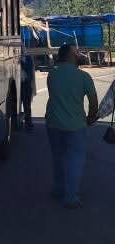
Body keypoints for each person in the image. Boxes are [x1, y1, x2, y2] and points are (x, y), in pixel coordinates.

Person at [45, 44, 98, 208]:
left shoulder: (52, 74)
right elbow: (93, 102)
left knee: (58, 157)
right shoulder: (83, 77)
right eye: (77, 52)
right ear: (71, 55)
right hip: (76, 125)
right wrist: (90, 118)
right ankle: (71, 196)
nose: (80, 54)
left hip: (53, 123)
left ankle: (58, 189)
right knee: (75, 159)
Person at [20, 52, 36, 131]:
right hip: (21, 84)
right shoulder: (27, 57)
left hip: (26, 84)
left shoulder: (28, 57)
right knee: (26, 106)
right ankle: (27, 124)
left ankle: (28, 124)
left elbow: (30, 74)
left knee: (27, 106)